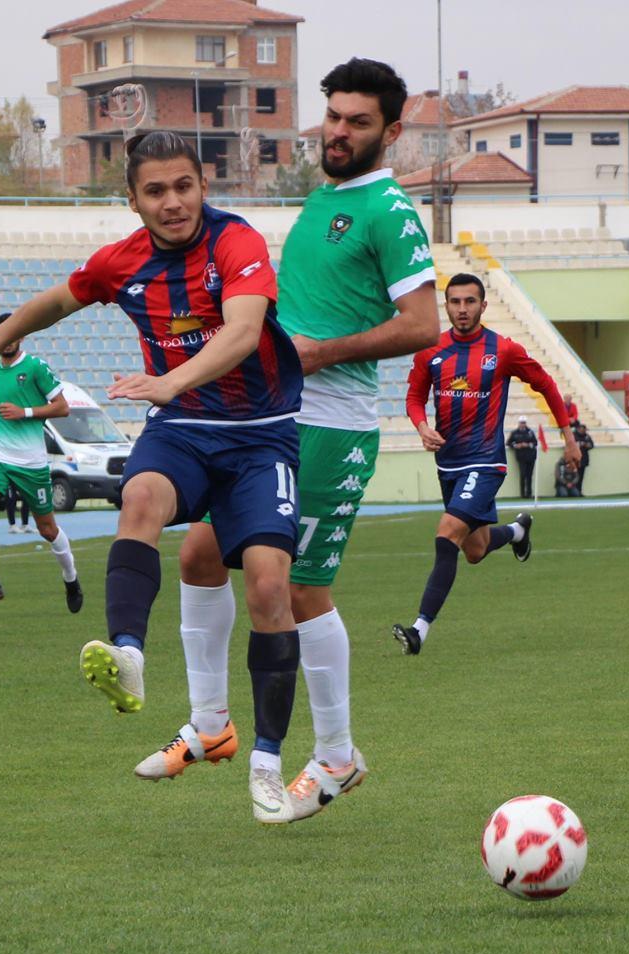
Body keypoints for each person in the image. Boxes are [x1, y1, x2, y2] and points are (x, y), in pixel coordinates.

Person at [0, 131, 305, 825]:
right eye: (155, 191)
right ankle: (128, 654)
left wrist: (169, 380)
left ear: (203, 185)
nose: (172, 203)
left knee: (268, 585)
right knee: (139, 497)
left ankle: (266, 761)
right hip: (183, 431)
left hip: (260, 439)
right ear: (133, 200)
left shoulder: (237, 244)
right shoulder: (122, 263)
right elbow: (60, 298)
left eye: (183, 186)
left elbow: (241, 332)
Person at [136, 57, 440, 823]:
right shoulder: (324, 197)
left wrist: (317, 352)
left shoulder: (389, 210)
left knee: (301, 590)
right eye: (332, 116)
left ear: (391, 132)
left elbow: (423, 324)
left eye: (357, 121)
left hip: (329, 426)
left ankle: (337, 753)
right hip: (269, 421)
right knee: (200, 554)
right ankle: (211, 727)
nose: (337, 131)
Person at [392, 273, 581, 655]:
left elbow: (544, 382)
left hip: (485, 463)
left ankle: (419, 630)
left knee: (447, 534)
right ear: (446, 306)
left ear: (483, 305)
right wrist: (421, 425)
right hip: (448, 465)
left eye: (470, 301)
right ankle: (516, 532)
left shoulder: (503, 350)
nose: (463, 309)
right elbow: (414, 397)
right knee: (474, 550)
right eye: (456, 302)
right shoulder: (431, 351)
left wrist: (569, 435)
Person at [0, 313, 83, 614]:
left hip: (30, 461)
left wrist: (25, 412)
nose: (9, 339)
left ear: (23, 335)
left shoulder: (35, 367)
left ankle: (71, 578)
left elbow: (62, 408)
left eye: (14, 333)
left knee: (48, 529)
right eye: (3, 334)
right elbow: (5, 410)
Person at [506, 415, 538, 498]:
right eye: (521, 423)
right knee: (523, 475)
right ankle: (523, 494)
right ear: (519, 423)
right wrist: (517, 445)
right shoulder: (514, 432)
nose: (523, 424)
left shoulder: (530, 432)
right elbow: (508, 443)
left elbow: (535, 443)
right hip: (521, 457)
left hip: (531, 456)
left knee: (529, 475)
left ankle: (529, 493)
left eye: (524, 423)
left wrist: (527, 445)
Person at [572, 421, 594, 493]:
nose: (583, 431)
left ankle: (579, 491)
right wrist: (582, 444)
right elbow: (573, 445)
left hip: (584, 459)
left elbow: (591, 445)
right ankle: (573, 492)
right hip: (574, 460)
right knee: (574, 476)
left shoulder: (587, 436)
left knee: (581, 477)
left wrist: (584, 444)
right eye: (582, 429)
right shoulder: (573, 435)